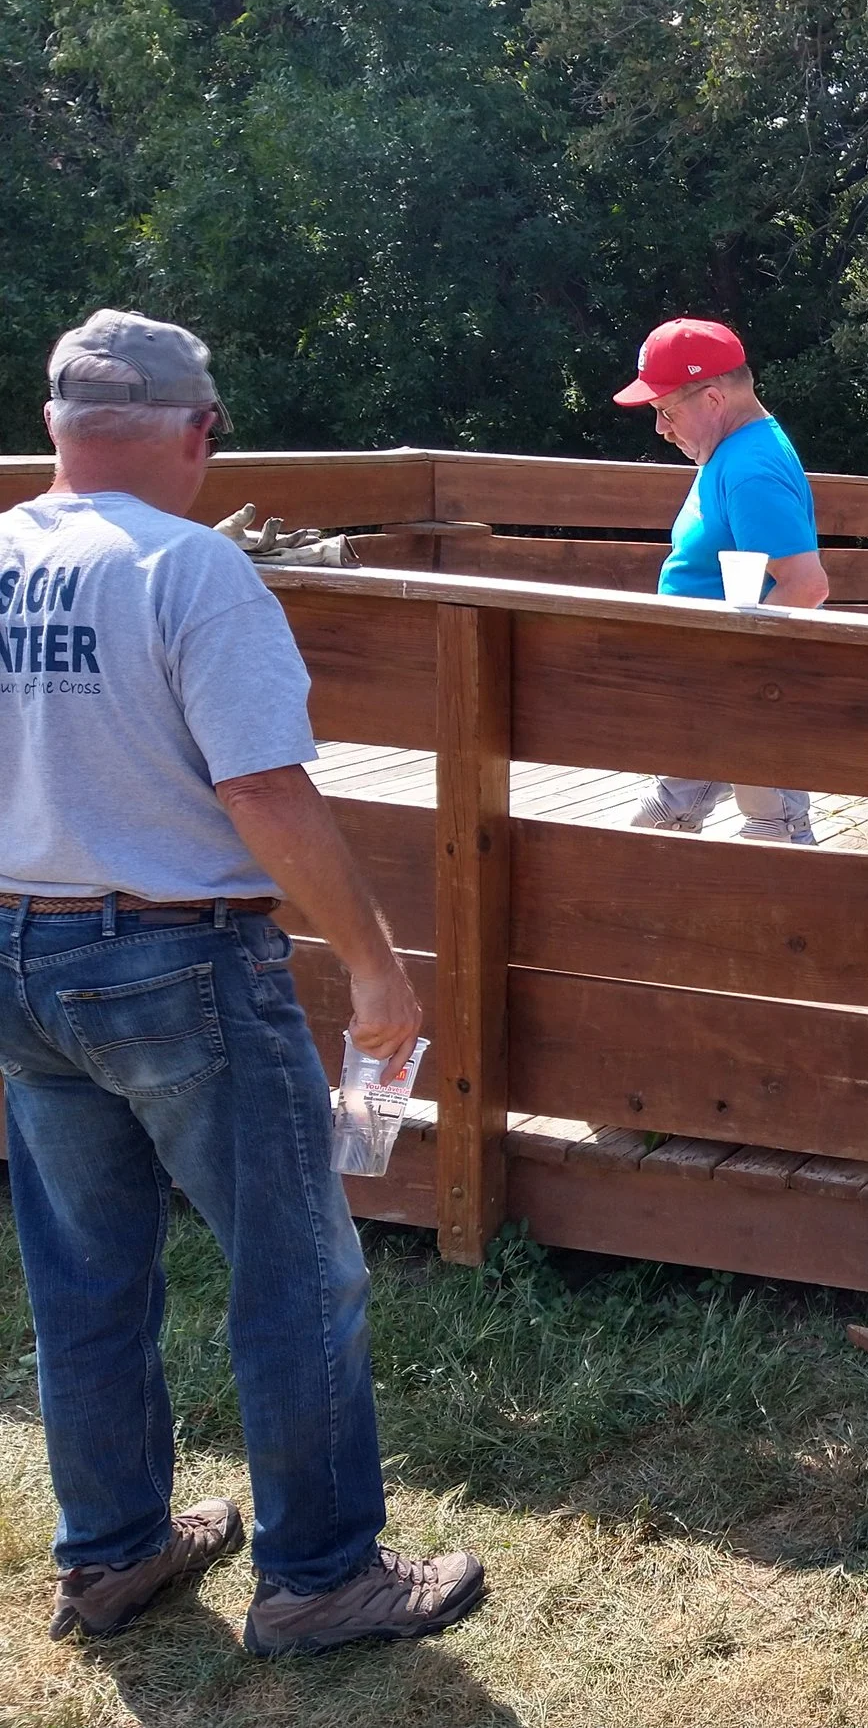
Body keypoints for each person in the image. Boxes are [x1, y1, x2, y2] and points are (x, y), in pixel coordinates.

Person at [3, 310, 485, 1654]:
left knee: (84, 1274)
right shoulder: (193, 571)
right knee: (296, 1271)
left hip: (17, 959)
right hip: (175, 962)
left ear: (56, 423)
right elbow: (263, 788)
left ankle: (111, 1551)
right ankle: (323, 1573)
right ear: (198, 430)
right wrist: (381, 970)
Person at [612, 316, 830, 843]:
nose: (660, 429)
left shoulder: (750, 468)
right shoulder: (730, 452)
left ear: (712, 400)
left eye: (666, 411)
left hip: (745, 691)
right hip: (712, 688)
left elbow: (805, 585)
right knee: (658, 822)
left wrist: (738, 677)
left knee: (773, 832)